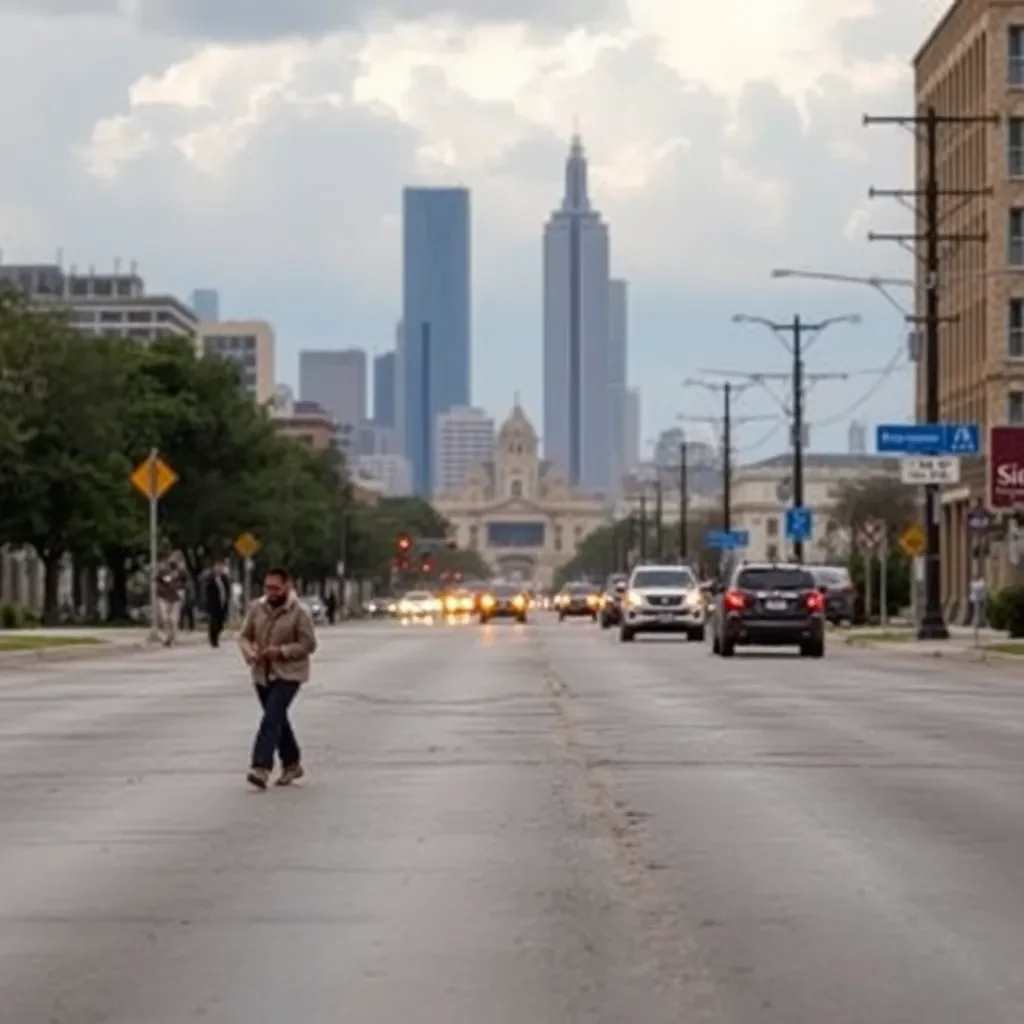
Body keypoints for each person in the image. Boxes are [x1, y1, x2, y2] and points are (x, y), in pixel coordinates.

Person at [237, 567, 317, 789]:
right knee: (278, 719)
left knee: (271, 719)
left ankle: (260, 767)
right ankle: (292, 763)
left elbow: (309, 644)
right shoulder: (256, 608)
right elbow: (244, 636)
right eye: (267, 587)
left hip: (289, 674)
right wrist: (248, 652)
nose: (271, 592)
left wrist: (281, 651)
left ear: (287, 587)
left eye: (276, 588)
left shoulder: (299, 612)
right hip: (262, 673)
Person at [156, 556, 188, 646]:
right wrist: (161, 590)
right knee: (165, 617)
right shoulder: (163, 572)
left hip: (175, 598)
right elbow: (157, 581)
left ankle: (174, 637)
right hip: (164, 597)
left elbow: (185, 583)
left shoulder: (182, 573)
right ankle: (168, 635)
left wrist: (181, 589)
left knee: (173, 619)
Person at [204, 558, 231, 647]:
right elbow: (207, 592)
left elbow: (227, 590)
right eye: (217, 567)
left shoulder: (224, 578)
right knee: (213, 622)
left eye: (220, 567)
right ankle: (213, 639)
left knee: (221, 624)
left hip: (222, 603)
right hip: (213, 605)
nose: (218, 569)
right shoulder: (210, 579)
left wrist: (227, 599)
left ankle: (216, 636)